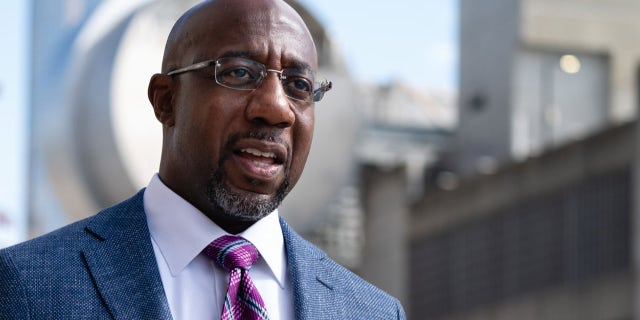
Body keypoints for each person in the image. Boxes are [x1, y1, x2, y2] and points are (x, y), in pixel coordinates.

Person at [0, 0, 406, 319]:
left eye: (299, 85)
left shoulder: (372, 312)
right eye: (239, 74)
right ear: (166, 100)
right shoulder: (30, 288)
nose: (276, 108)